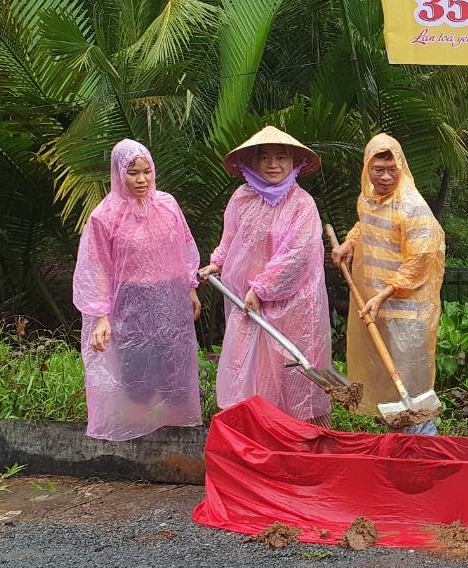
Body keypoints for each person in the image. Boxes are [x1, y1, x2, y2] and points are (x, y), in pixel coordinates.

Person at [199, 126, 332, 426]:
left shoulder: (302, 204)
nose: (273, 164)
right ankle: (258, 439)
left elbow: (298, 255)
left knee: (291, 373)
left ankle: (301, 441)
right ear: (254, 162)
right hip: (249, 305)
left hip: (292, 307)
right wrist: (217, 263)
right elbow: (232, 238)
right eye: (265, 157)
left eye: (281, 157)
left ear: (293, 161)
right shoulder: (242, 198)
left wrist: (261, 289)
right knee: (251, 372)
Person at [73, 139, 203, 441]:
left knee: (175, 367)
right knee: (136, 371)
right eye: (133, 173)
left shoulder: (167, 204)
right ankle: (139, 440)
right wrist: (101, 317)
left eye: (147, 171)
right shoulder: (104, 216)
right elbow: (96, 268)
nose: (142, 179)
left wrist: (191, 287)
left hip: (170, 299)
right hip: (130, 303)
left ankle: (177, 436)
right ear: (119, 174)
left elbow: (184, 246)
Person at [332, 134, 445, 435]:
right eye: (378, 169)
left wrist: (386, 292)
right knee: (386, 381)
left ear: (401, 168)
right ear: (367, 169)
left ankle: (424, 449)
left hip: (407, 313)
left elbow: (420, 258)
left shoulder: (412, 207)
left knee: (412, 386)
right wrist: (349, 243)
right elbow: (365, 225)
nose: (385, 177)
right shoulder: (367, 199)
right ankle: (397, 446)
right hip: (377, 306)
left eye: (391, 170)